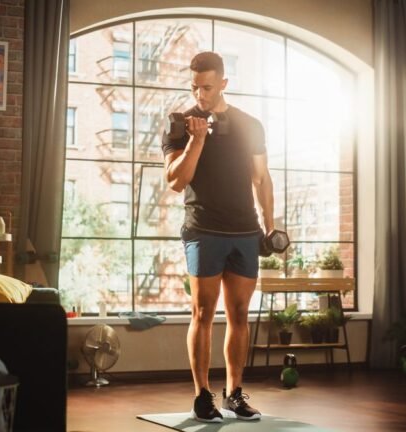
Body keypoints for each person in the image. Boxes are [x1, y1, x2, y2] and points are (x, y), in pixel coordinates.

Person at [162, 51, 275, 423]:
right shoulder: (180, 123)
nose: (200, 94)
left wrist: (270, 224)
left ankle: (235, 393)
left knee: (240, 313)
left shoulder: (249, 124)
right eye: (194, 87)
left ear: (223, 83)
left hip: (244, 229)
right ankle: (202, 396)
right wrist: (196, 141)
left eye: (207, 87)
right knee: (203, 312)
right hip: (203, 229)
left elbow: (261, 177)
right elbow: (176, 182)